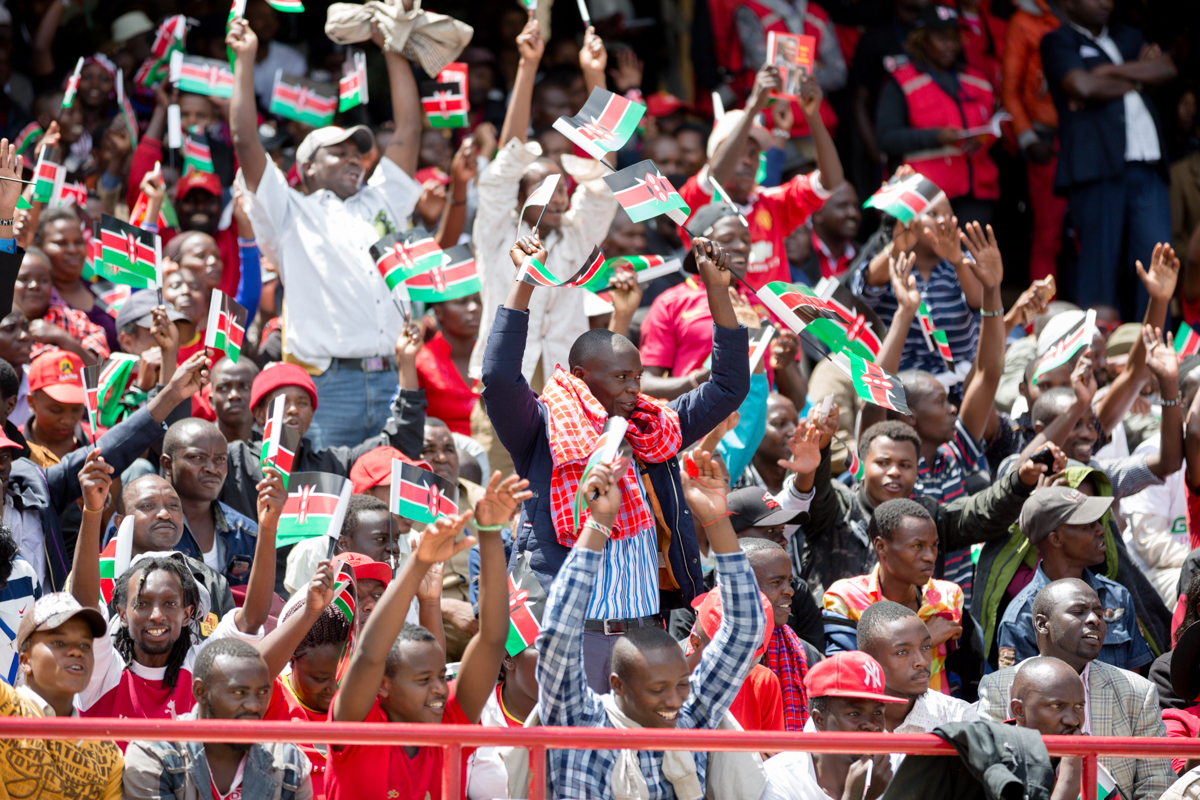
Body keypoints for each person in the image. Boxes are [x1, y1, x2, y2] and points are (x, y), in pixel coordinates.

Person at [481, 234, 750, 691]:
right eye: (621, 377)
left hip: (645, 638)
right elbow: (499, 377)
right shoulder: (540, 429)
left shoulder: (654, 430)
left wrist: (717, 290)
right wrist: (524, 281)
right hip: (569, 639)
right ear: (582, 376)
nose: (634, 388)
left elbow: (728, 387)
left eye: (639, 377)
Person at [227, 16, 422, 450]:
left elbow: (408, 130)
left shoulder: (382, 200)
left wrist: (391, 45)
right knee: (329, 498)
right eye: (341, 153)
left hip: (393, 373)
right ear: (307, 168)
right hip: (330, 385)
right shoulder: (290, 210)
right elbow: (244, 139)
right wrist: (245, 60)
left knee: (390, 500)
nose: (356, 160)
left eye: (360, 153)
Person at [534, 448, 765, 800]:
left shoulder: (691, 718)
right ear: (617, 685)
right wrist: (598, 524)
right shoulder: (579, 720)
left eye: (682, 685)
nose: (674, 700)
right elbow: (558, 634)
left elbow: (744, 630)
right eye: (658, 690)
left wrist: (716, 520)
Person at [468, 18, 618, 466]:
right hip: (502, 393)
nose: (561, 198)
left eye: (565, 191)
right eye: (547, 191)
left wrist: (596, 77)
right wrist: (527, 66)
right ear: (519, 198)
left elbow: (605, 181)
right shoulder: (497, 233)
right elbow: (508, 155)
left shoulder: (576, 235)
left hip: (567, 398)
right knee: (502, 499)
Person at [324, 472, 526, 800]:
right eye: (422, 679)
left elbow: (491, 639)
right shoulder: (358, 726)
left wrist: (489, 532)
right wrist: (418, 562)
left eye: (438, 676)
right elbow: (370, 654)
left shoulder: (448, 721)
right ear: (383, 686)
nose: (438, 688)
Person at [69, 447, 284, 723]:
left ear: (188, 613)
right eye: (142, 603)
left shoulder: (200, 668)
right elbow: (84, 608)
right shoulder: (105, 670)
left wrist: (268, 528)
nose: (157, 614)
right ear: (121, 613)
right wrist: (92, 511)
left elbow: (251, 619)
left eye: (171, 603)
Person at [778, 412, 1049, 599]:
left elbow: (980, 512)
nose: (895, 472)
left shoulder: (926, 516)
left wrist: (1020, 480)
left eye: (905, 465)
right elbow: (818, 493)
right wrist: (822, 449)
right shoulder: (838, 507)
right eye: (883, 463)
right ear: (862, 467)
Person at [217, 333, 425, 550]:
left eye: (302, 402)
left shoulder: (332, 465)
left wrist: (406, 363)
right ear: (259, 415)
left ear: (312, 414)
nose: (293, 409)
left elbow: (401, 443)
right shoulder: (233, 460)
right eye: (282, 402)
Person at [977, 579, 1176, 800]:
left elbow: (1157, 785)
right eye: (1079, 612)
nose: (1094, 620)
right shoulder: (999, 686)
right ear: (1043, 624)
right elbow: (991, 780)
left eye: (1099, 614)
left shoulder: (1137, 691)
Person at [1040, 0, 1176, 319]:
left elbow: (1167, 69)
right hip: (1096, 167)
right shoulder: (1058, 40)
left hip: (1147, 163)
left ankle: (1155, 348)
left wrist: (1107, 73)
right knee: (1098, 265)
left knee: (1158, 259)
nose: (1106, 1)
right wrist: (1140, 77)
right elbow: (1082, 85)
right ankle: (1097, 356)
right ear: (1070, 4)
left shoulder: (1127, 36)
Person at [679, 64, 845, 290]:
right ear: (714, 156)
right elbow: (715, 176)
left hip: (774, 324)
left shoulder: (773, 203)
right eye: (738, 152)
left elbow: (832, 181)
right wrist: (754, 106)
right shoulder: (695, 200)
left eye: (753, 153)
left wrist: (813, 117)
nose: (748, 161)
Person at [122, 638, 313, 800]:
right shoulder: (152, 753)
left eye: (263, 692)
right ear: (201, 692)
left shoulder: (291, 763)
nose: (255, 705)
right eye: (239, 692)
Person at [996, 486, 1152, 671]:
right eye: (1088, 525)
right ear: (1056, 539)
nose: (1101, 530)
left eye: (1098, 522)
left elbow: (1134, 686)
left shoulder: (1116, 597)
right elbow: (1022, 692)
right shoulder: (1022, 617)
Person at [876, 5, 1000, 225]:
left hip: (976, 192)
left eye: (955, 38)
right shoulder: (901, 82)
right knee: (928, 259)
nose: (951, 46)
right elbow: (886, 138)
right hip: (924, 195)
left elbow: (996, 127)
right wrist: (936, 136)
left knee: (970, 257)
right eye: (942, 39)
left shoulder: (977, 80)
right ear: (922, 39)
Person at [825, 500, 965, 695]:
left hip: (940, 721)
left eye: (934, 545)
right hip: (877, 718)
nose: (930, 556)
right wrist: (925, 640)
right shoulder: (846, 599)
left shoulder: (949, 597)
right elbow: (846, 676)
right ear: (881, 546)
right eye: (917, 546)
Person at [0, 592, 120, 799]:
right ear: (25, 661)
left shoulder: (109, 754)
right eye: (59, 642)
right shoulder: (4, 703)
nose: (76, 652)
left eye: (85, 645)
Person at [759, 651, 898, 800]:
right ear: (819, 720)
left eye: (878, 713)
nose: (871, 725)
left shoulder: (896, 767)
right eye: (854, 714)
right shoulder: (780, 778)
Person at [1001, 0, 1066, 284]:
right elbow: (1010, 90)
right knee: (1047, 235)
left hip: (1084, 140)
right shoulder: (1024, 21)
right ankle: (1043, 313)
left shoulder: (1084, 18)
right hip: (1045, 142)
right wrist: (1028, 138)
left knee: (1088, 232)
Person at [158, 418, 259, 586]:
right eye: (197, 457)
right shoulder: (140, 527)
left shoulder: (246, 533)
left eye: (220, 459)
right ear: (168, 464)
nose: (212, 468)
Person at [856, 600, 976, 735]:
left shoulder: (957, 718)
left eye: (925, 647)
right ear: (870, 660)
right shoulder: (845, 721)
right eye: (902, 652)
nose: (922, 661)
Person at [741, 537, 818, 731]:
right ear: (740, 587)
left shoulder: (805, 654)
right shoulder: (701, 650)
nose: (790, 591)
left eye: (789, 581)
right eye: (777, 582)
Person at [1009, 657, 1091, 800]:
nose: (1072, 721)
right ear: (1019, 710)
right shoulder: (991, 765)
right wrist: (1068, 783)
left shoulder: (1090, 768)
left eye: (1079, 707)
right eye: (1056, 706)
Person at [14, 247, 108, 364]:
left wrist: (61, 337)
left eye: (43, 280)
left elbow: (96, 368)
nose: (34, 286)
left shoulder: (74, 320)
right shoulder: (4, 328)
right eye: (23, 279)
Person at [417, 292, 482, 437]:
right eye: (462, 302)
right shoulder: (421, 361)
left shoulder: (494, 356)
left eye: (478, 301)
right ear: (438, 312)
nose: (474, 308)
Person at [21, 348, 86, 466]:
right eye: (56, 410)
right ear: (31, 402)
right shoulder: (12, 447)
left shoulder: (100, 443)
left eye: (77, 408)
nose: (67, 420)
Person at [207, 356, 260, 445]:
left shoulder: (271, 449)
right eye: (223, 388)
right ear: (212, 401)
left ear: (258, 398)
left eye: (245, 387)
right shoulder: (196, 446)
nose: (234, 395)